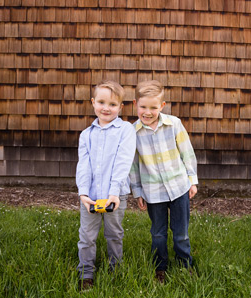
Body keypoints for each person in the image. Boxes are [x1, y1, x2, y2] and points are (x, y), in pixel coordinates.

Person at [129, 80, 199, 283]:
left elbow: (187, 153)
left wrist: (191, 180)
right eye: (143, 107)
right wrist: (138, 191)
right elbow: (133, 165)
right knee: (158, 233)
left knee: (181, 233)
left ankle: (185, 264)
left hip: (178, 187)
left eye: (153, 107)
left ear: (162, 106)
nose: (147, 112)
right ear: (135, 104)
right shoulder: (132, 132)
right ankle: (160, 267)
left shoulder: (174, 124)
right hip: (153, 191)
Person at [75, 80, 136, 291]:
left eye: (112, 104)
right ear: (93, 102)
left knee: (114, 234)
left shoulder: (125, 130)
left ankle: (115, 269)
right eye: (101, 102)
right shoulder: (86, 135)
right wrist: (83, 194)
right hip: (91, 196)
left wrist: (114, 193)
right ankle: (86, 274)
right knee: (87, 237)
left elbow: (123, 162)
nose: (106, 108)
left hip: (116, 196)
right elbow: (83, 166)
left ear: (120, 107)